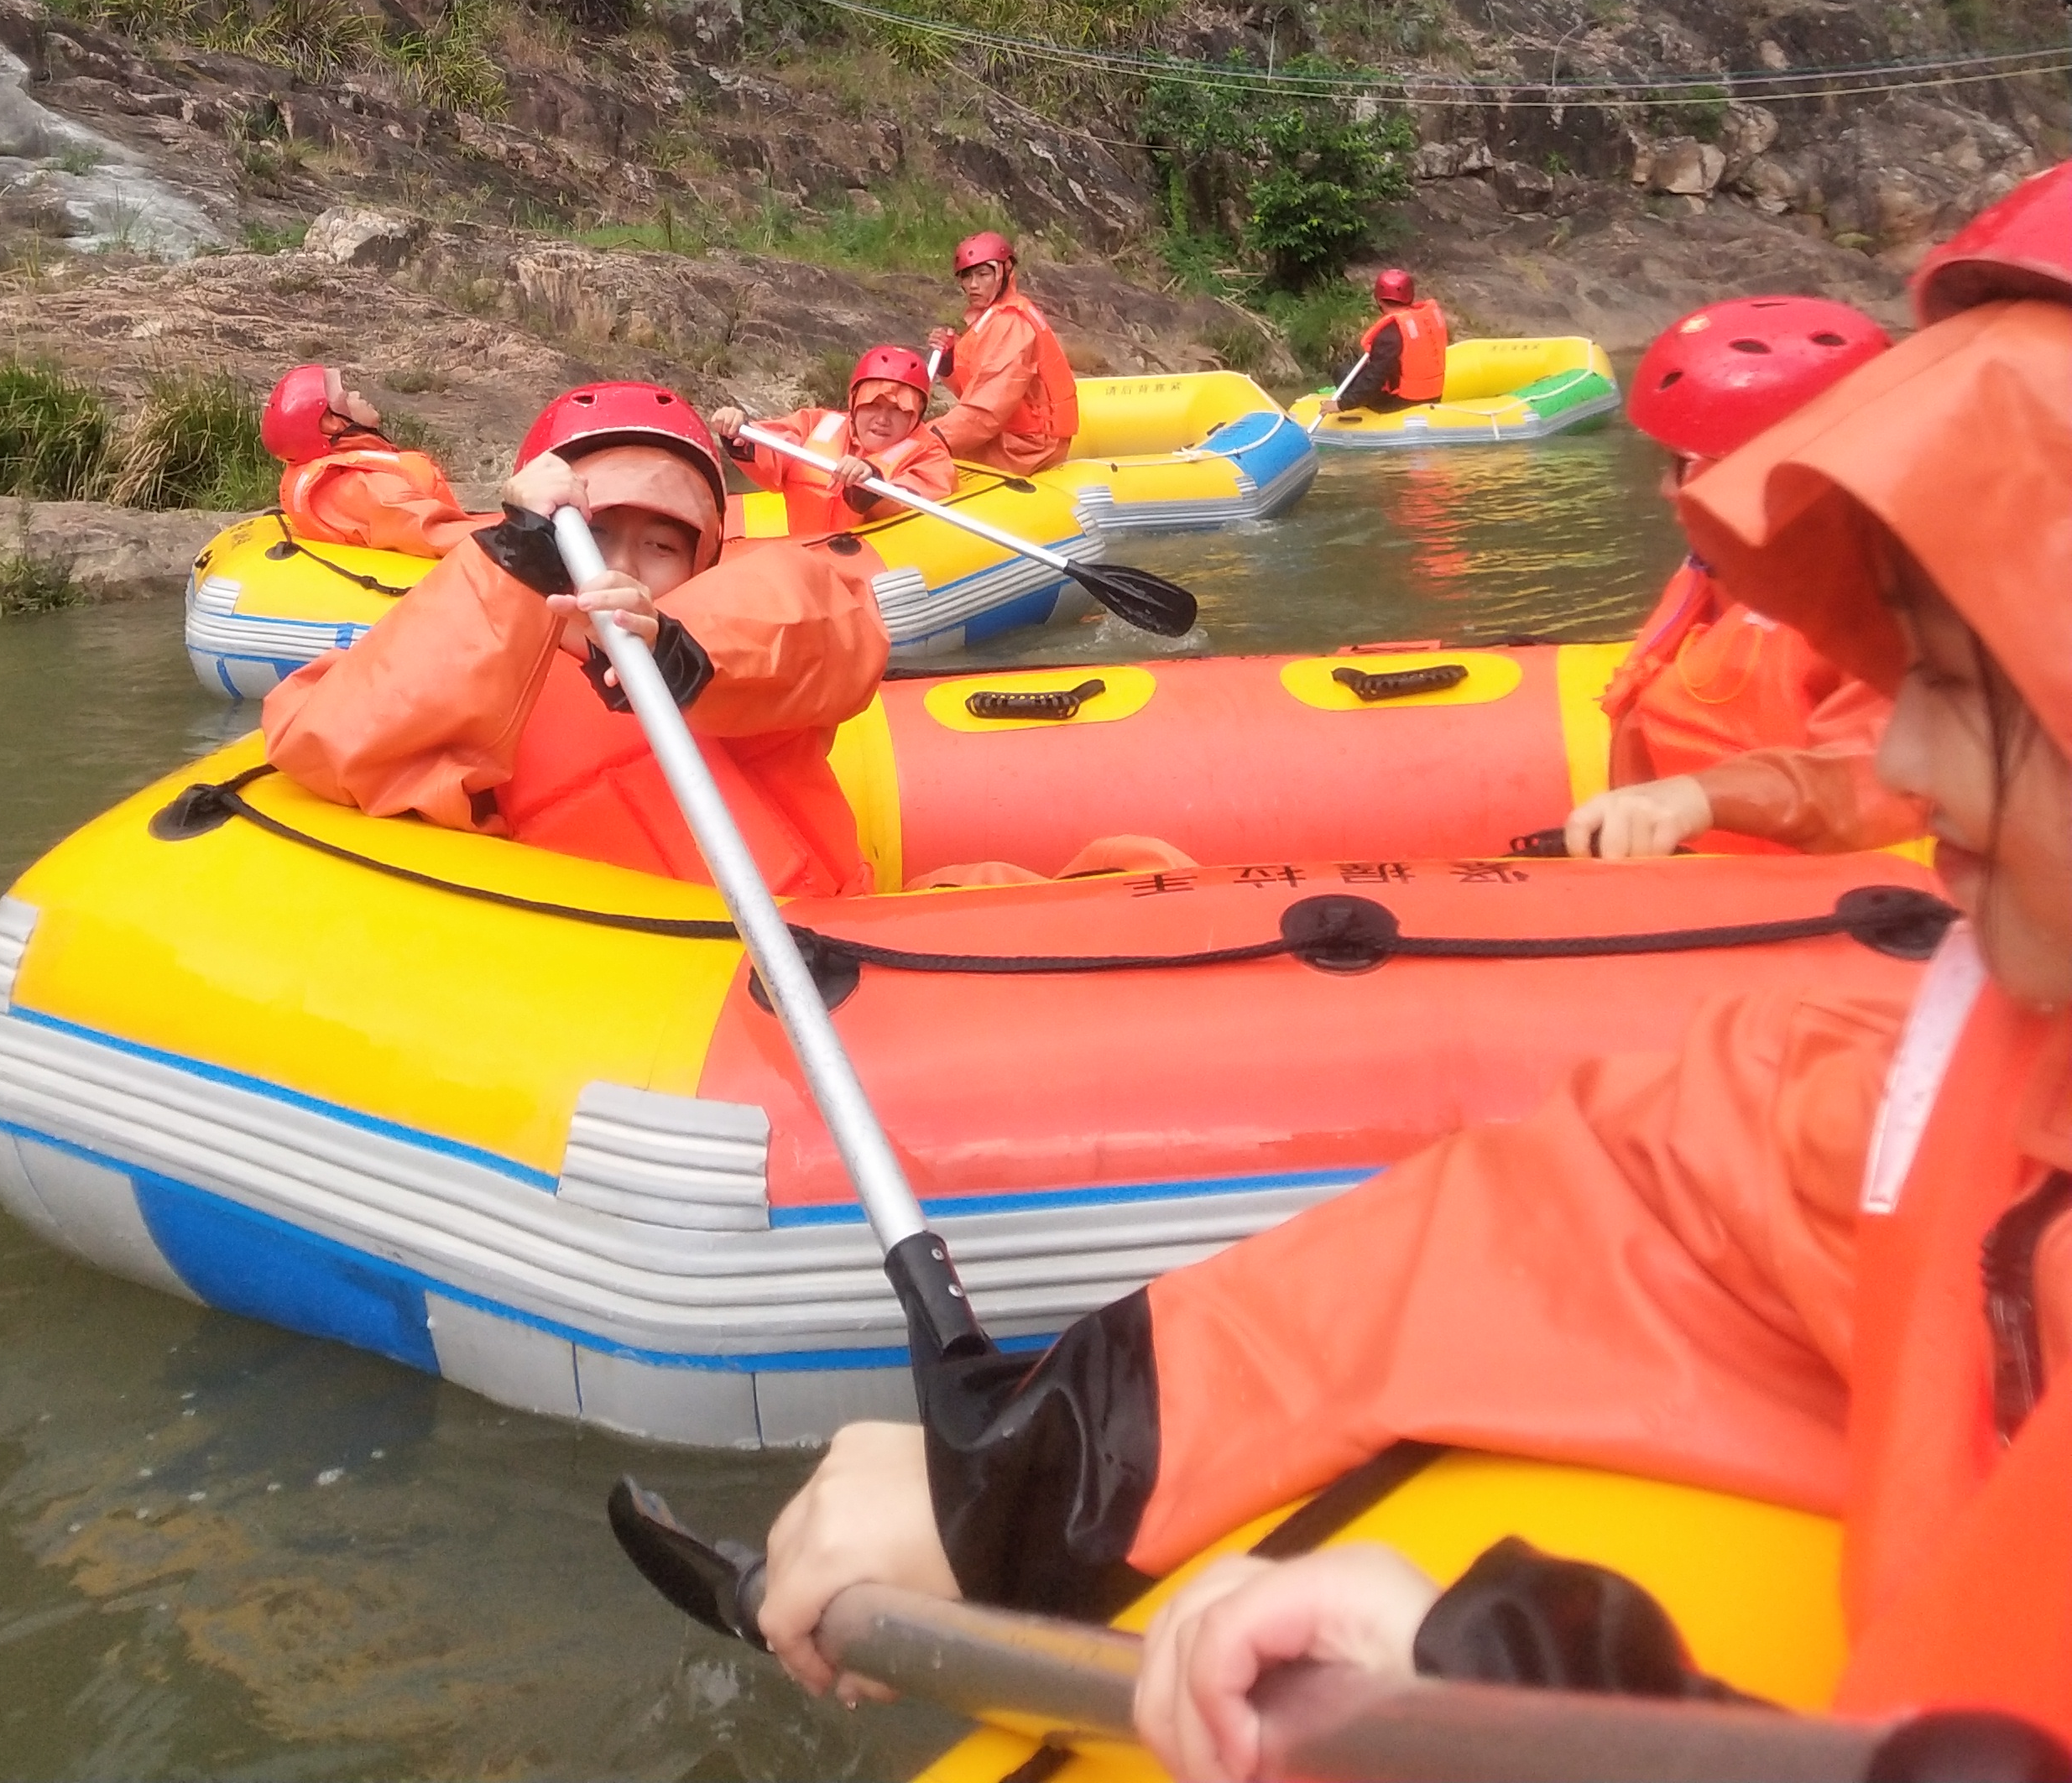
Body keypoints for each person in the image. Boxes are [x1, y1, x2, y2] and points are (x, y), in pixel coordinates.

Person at [754, 162, 2072, 1760]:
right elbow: (1628, 1197)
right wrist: (1037, 1468)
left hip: (1739, 906)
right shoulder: (1972, 1056)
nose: (1916, 758)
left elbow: (1838, 793)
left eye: (1965, 676)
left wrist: (1578, 1716)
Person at [260, 380, 892, 899]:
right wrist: (508, 560)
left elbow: (830, 626)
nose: (619, 567)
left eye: (662, 545)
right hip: (624, 993)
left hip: (833, 941)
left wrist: (680, 651)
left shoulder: (741, 620)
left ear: (702, 559)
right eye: (591, 535)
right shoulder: (486, 680)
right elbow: (320, 738)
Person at [1567, 293, 1927, 862]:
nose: (1666, 489)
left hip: (1806, 910)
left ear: (1768, 482)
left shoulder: (1891, 611)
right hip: (1688, 865)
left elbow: (1894, 778)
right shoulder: (1723, 568)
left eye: (1680, 466)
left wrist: (1700, 797)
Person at [709, 347, 958, 537]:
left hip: (867, 578)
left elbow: (915, 495)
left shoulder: (931, 454)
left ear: (916, 416)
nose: (882, 419)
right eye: (872, 405)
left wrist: (871, 480)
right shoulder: (815, 423)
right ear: (854, 402)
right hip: (804, 551)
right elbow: (772, 446)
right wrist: (739, 433)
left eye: (898, 410)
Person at [258, 362, 478, 557]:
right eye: (345, 397)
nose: (356, 395)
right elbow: (435, 533)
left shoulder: (341, 477)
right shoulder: (371, 488)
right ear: (331, 424)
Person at [930, 232, 1078, 474]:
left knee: (927, 457)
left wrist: (932, 439)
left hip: (1027, 448)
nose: (973, 285)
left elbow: (986, 410)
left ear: (1004, 272)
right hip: (1008, 435)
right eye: (967, 277)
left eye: (983, 274)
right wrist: (948, 362)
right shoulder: (994, 318)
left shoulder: (1011, 324)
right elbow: (979, 389)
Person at [1342, 267, 1447, 411]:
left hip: (1401, 402)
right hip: (1435, 395)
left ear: (1379, 299)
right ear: (1410, 296)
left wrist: (1342, 404)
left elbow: (1375, 378)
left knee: (1342, 372)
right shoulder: (1424, 319)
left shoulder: (1389, 333)